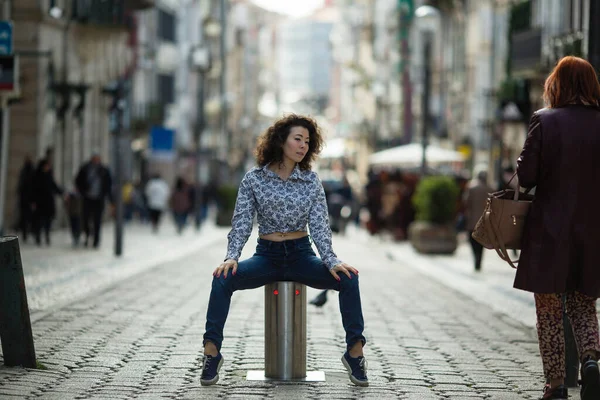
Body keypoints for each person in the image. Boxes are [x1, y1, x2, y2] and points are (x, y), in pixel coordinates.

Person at [200, 114, 368, 387]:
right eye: (297, 139)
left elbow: (320, 226)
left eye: (307, 141)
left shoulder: (311, 181)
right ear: (281, 141)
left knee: (349, 279)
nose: (303, 145)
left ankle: (355, 352)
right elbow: (242, 222)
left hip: (302, 255)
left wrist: (331, 260)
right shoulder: (254, 179)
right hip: (267, 256)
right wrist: (232, 256)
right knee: (222, 279)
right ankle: (211, 352)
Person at [515, 56, 600, 400]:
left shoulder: (544, 120)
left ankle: (556, 384)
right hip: (593, 230)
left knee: (549, 310)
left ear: (556, 84)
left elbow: (527, 176)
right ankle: (591, 360)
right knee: (584, 303)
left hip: (549, 230)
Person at [75, 153, 113, 248]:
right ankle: (87, 235)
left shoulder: (104, 170)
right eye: (94, 159)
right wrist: (82, 191)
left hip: (99, 199)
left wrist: (110, 199)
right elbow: (78, 181)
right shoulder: (85, 169)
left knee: (97, 220)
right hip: (87, 198)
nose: (96, 160)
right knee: (85, 218)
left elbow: (108, 185)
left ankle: (96, 240)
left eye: (97, 159)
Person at [463, 169, 493, 272]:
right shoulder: (491, 189)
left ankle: (475, 257)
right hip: (485, 220)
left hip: (472, 219)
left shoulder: (472, 187)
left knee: (473, 240)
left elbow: (466, 202)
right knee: (481, 241)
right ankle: (479, 259)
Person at [31, 159, 63, 246]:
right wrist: (33, 201)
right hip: (40, 202)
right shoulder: (37, 176)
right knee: (39, 221)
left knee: (48, 221)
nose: (47, 167)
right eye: (46, 166)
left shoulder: (49, 176)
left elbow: (54, 186)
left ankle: (47, 235)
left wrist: (62, 193)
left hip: (48, 202)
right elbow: (33, 190)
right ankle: (38, 236)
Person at [17, 155, 35, 242]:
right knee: (25, 217)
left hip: (28, 199)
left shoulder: (30, 171)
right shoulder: (25, 171)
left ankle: (29, 232)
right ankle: (26, 233)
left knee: (28, 217)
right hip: (25, 199)